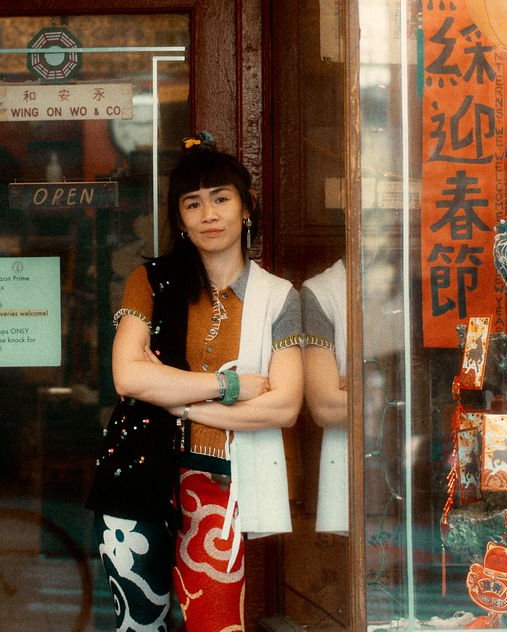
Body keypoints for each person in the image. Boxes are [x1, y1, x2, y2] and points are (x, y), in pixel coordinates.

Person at [86, 132, 303, 631]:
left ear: (246, 207)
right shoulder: (151, 282)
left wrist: (176, 398)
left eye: (221, 199)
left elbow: (284, 406)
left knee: (217, 624)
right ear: (180, 219)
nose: (209, 214)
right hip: (136, 475)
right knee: (137, 625)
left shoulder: (279, 298)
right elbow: (127, 376)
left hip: (219, 481)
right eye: (193, 203)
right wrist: (230, 388)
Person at [300, 259, 349, 535]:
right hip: (354, 462)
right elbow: (325, 405)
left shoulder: (418, 275)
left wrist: (356, 388)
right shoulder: (322, 291)